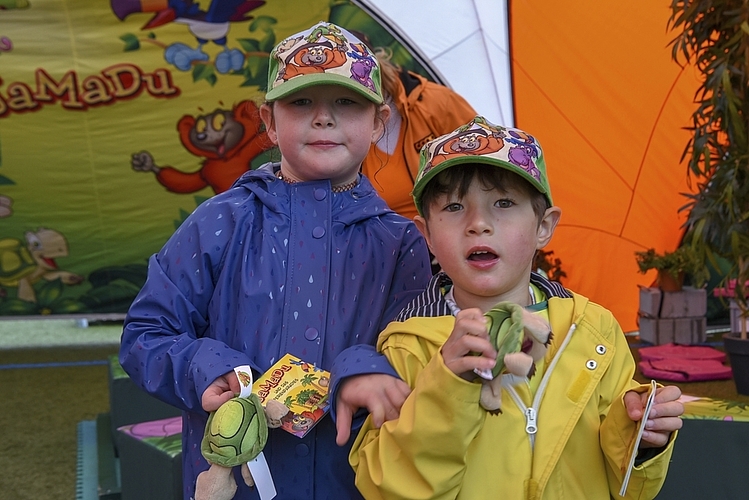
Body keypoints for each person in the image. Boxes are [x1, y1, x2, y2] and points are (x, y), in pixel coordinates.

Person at [119, 21, 432, 500]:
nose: (323, 118)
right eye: (301, 102)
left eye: (346, 103)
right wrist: (205, 365)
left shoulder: (401, 244)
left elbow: (416, 360)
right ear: (268, 121)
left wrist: (362, 367)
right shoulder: (219, 222)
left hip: (353, 484)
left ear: (378, 122)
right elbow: (145, 335)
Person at [349, 116, 684, 499]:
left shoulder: (594, 332)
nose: (478, 224)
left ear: (544, 226)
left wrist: (642, 434)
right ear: (426, 235)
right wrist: (448, 387)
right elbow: (385, 487)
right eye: (455, 207)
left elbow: (626, 484)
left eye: (504, 203)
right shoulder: (407, 347)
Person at [361, 47, 477, 222]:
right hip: (388, 241)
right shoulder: (338, 131)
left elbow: (488, 157)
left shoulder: (437, 103)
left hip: (456, 227)